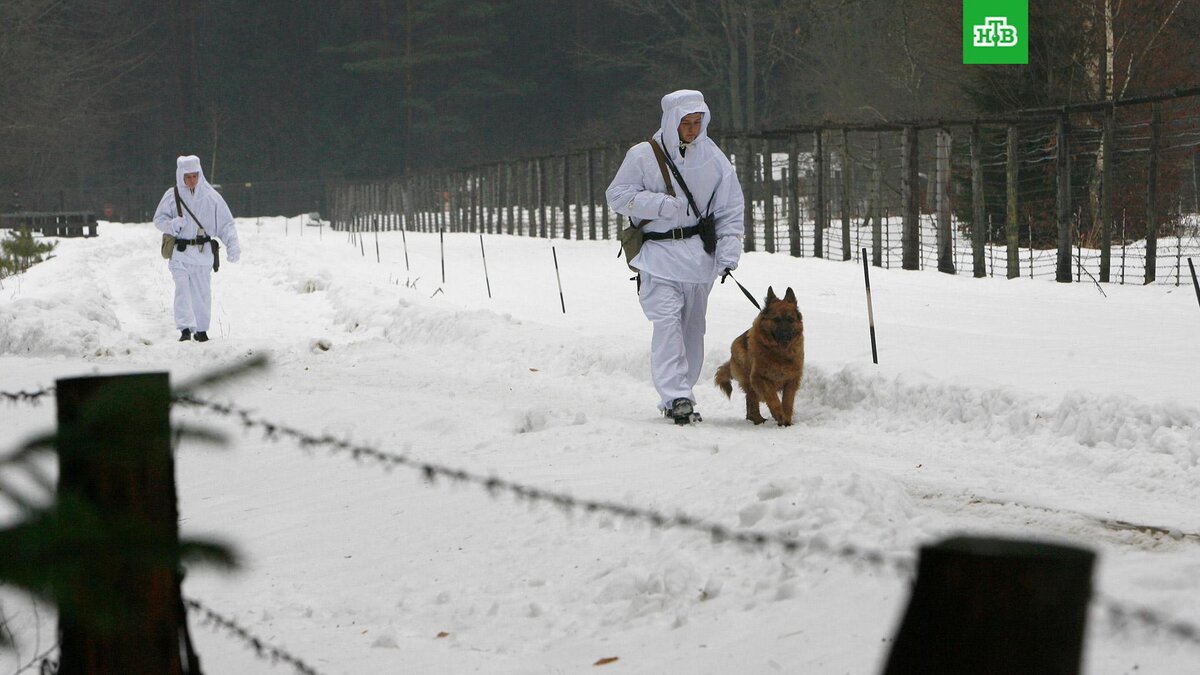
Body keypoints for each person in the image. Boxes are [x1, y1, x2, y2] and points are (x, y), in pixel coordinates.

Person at [606, 89, 745, 424]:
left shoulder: (713, 158)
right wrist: (660, 205)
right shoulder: (643, 156)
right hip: (657, 255)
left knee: (692, 330)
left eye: (698, 122)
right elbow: (618, 195)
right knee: (667, 324)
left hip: (698, 261)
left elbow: (730, 207)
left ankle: (684, 386)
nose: (693, 129)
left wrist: (728, 252)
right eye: (686, 122)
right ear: (671, 122)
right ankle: (676, 395)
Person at [153, 155, 241, 342]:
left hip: (203, 254)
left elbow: (226, 224)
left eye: (195, 176)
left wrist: (233, 245)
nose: (192, 180)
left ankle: (201, 330)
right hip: (180, 253)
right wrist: (171, 225)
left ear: (200, 174)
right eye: (188, 176)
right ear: (180, 176)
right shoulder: (172, 195)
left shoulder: (212, 197)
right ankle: (185, 328)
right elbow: (158, 219)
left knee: (202, 293)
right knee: (183, 290)